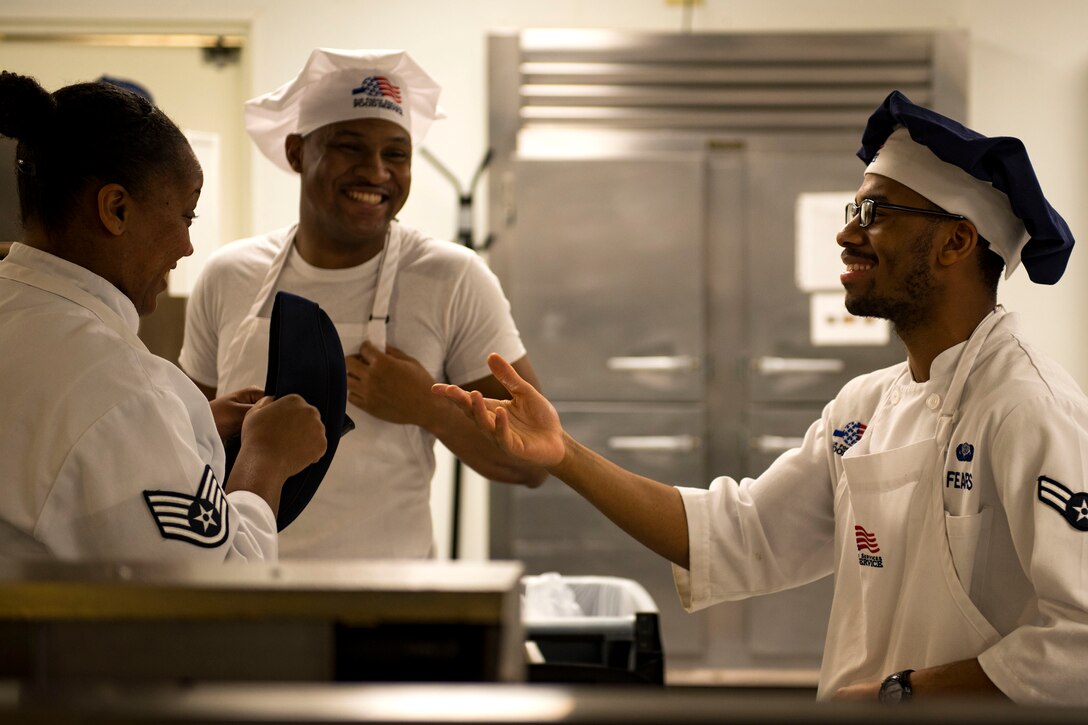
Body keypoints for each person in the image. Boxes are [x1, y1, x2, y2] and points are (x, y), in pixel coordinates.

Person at [434, 91, 1088, 705]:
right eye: (851, 210)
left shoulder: (1026, 406)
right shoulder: (862, 409)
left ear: (956, 240)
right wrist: (562, 453)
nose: (847, 234)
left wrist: (903, 694)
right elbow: (734, 532)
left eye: (875, 213)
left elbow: (1078, 641)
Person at [180, 49, 545, 559]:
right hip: (246, 579)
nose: (375, 172)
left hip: (391, 600)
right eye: (349, 147)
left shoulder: (453, 277)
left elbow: (534, 462)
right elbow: (184, 446)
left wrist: (428, 410)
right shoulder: (229, 274)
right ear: (296, 152)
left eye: (396, 154)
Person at [0, 72, 328, 561]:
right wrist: (267, 458)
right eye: (186, 216)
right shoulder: (123, 389)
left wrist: (185, 426)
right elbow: (211, 593)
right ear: (116, 209)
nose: (187, 245)